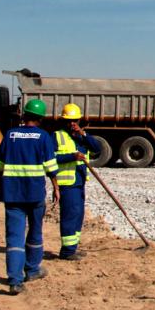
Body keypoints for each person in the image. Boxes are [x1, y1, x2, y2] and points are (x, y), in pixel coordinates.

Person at [0, 98, 60, 294]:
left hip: (12, 195)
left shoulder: (10, 135)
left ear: (24, 115)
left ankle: (14, 281)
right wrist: (56, 188)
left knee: (14, 237)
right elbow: (51, 167)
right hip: (35, 195)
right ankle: (32, 269)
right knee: (35, 232)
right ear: (40, 118)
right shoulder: (43, 137)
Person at [54, 103, 101, 260]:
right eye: (69, 121)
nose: (72, 124)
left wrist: (83, 135)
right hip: (67, 184)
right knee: (70, 215)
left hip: (79, 182)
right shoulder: (57, 136)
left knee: (78, 215)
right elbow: (49, 158)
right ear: (64, 121)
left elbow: (97, 148)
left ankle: (72, 248)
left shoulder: (81, 137)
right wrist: (71, 157)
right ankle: (67, 251)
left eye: (75, 121)